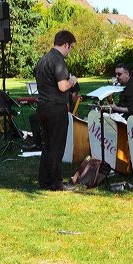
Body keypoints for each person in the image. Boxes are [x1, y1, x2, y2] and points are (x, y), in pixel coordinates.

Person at [34, 30, 78, 191]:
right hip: (56, 108)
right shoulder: (58, 60)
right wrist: (72, 80)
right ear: (66, 44)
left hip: (43, 107)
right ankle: (56, 182)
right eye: (70, 47)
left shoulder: (43, 59)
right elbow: (62, 86)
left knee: (47, 145)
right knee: (57, 146)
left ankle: (44, 180)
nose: (70, 50)